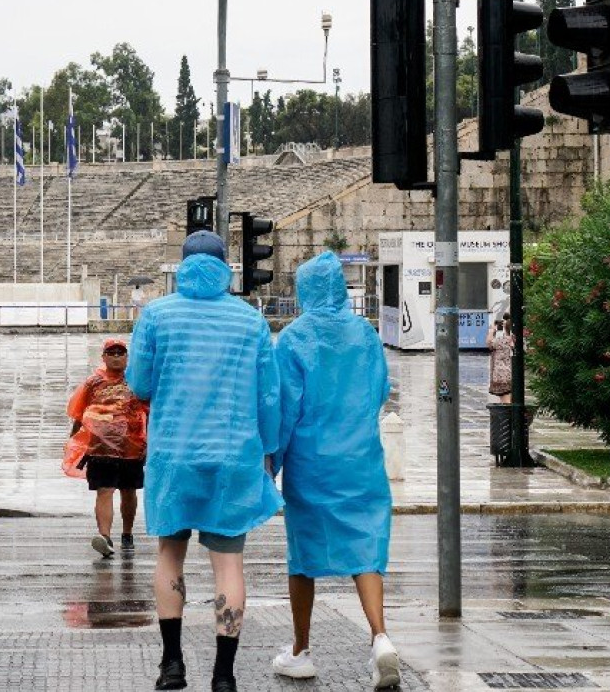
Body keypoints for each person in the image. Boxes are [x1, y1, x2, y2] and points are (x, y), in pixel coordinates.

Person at [126, 229, 282, 692]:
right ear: (225, 267)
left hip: (174, 456)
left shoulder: (156, 316)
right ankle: (223, 675)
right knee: (228, 565)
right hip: (232, 458)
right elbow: (268, 395)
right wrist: (268, 452)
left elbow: (138, 384)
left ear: (183, 265)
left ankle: (172, 664)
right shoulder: (248, 320)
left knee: (169, 555)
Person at [269, 251, 400, 689]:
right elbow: (381, 389)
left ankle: (301, 649)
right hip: (361, 457)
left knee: (303, 555)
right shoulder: (365, 334)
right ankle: (380, 638)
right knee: (366, 548)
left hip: (311, 462)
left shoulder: (292, 339)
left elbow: (283, 409)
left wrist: (273, 463)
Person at [66, 338, 149, 558]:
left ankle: (127, 533)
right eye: (111, 353)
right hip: (99, 448)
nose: (115, 356)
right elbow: (78, 412)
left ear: (126, 357)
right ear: (103, 357)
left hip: (132, 448)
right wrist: (74, 439)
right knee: (104, 490)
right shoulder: (93, 382)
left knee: (128, 492)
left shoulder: (137, 382)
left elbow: (149, 411)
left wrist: (150, 441)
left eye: (120, 353)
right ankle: (105, 537)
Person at [487, 313, 514, 404]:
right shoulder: (515, 339)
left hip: (502, 374)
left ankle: (508, 418)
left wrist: (492, 330)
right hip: (513, 373)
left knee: (505, 401)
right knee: (510, 399)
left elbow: (489, 343)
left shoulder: (501, 341)